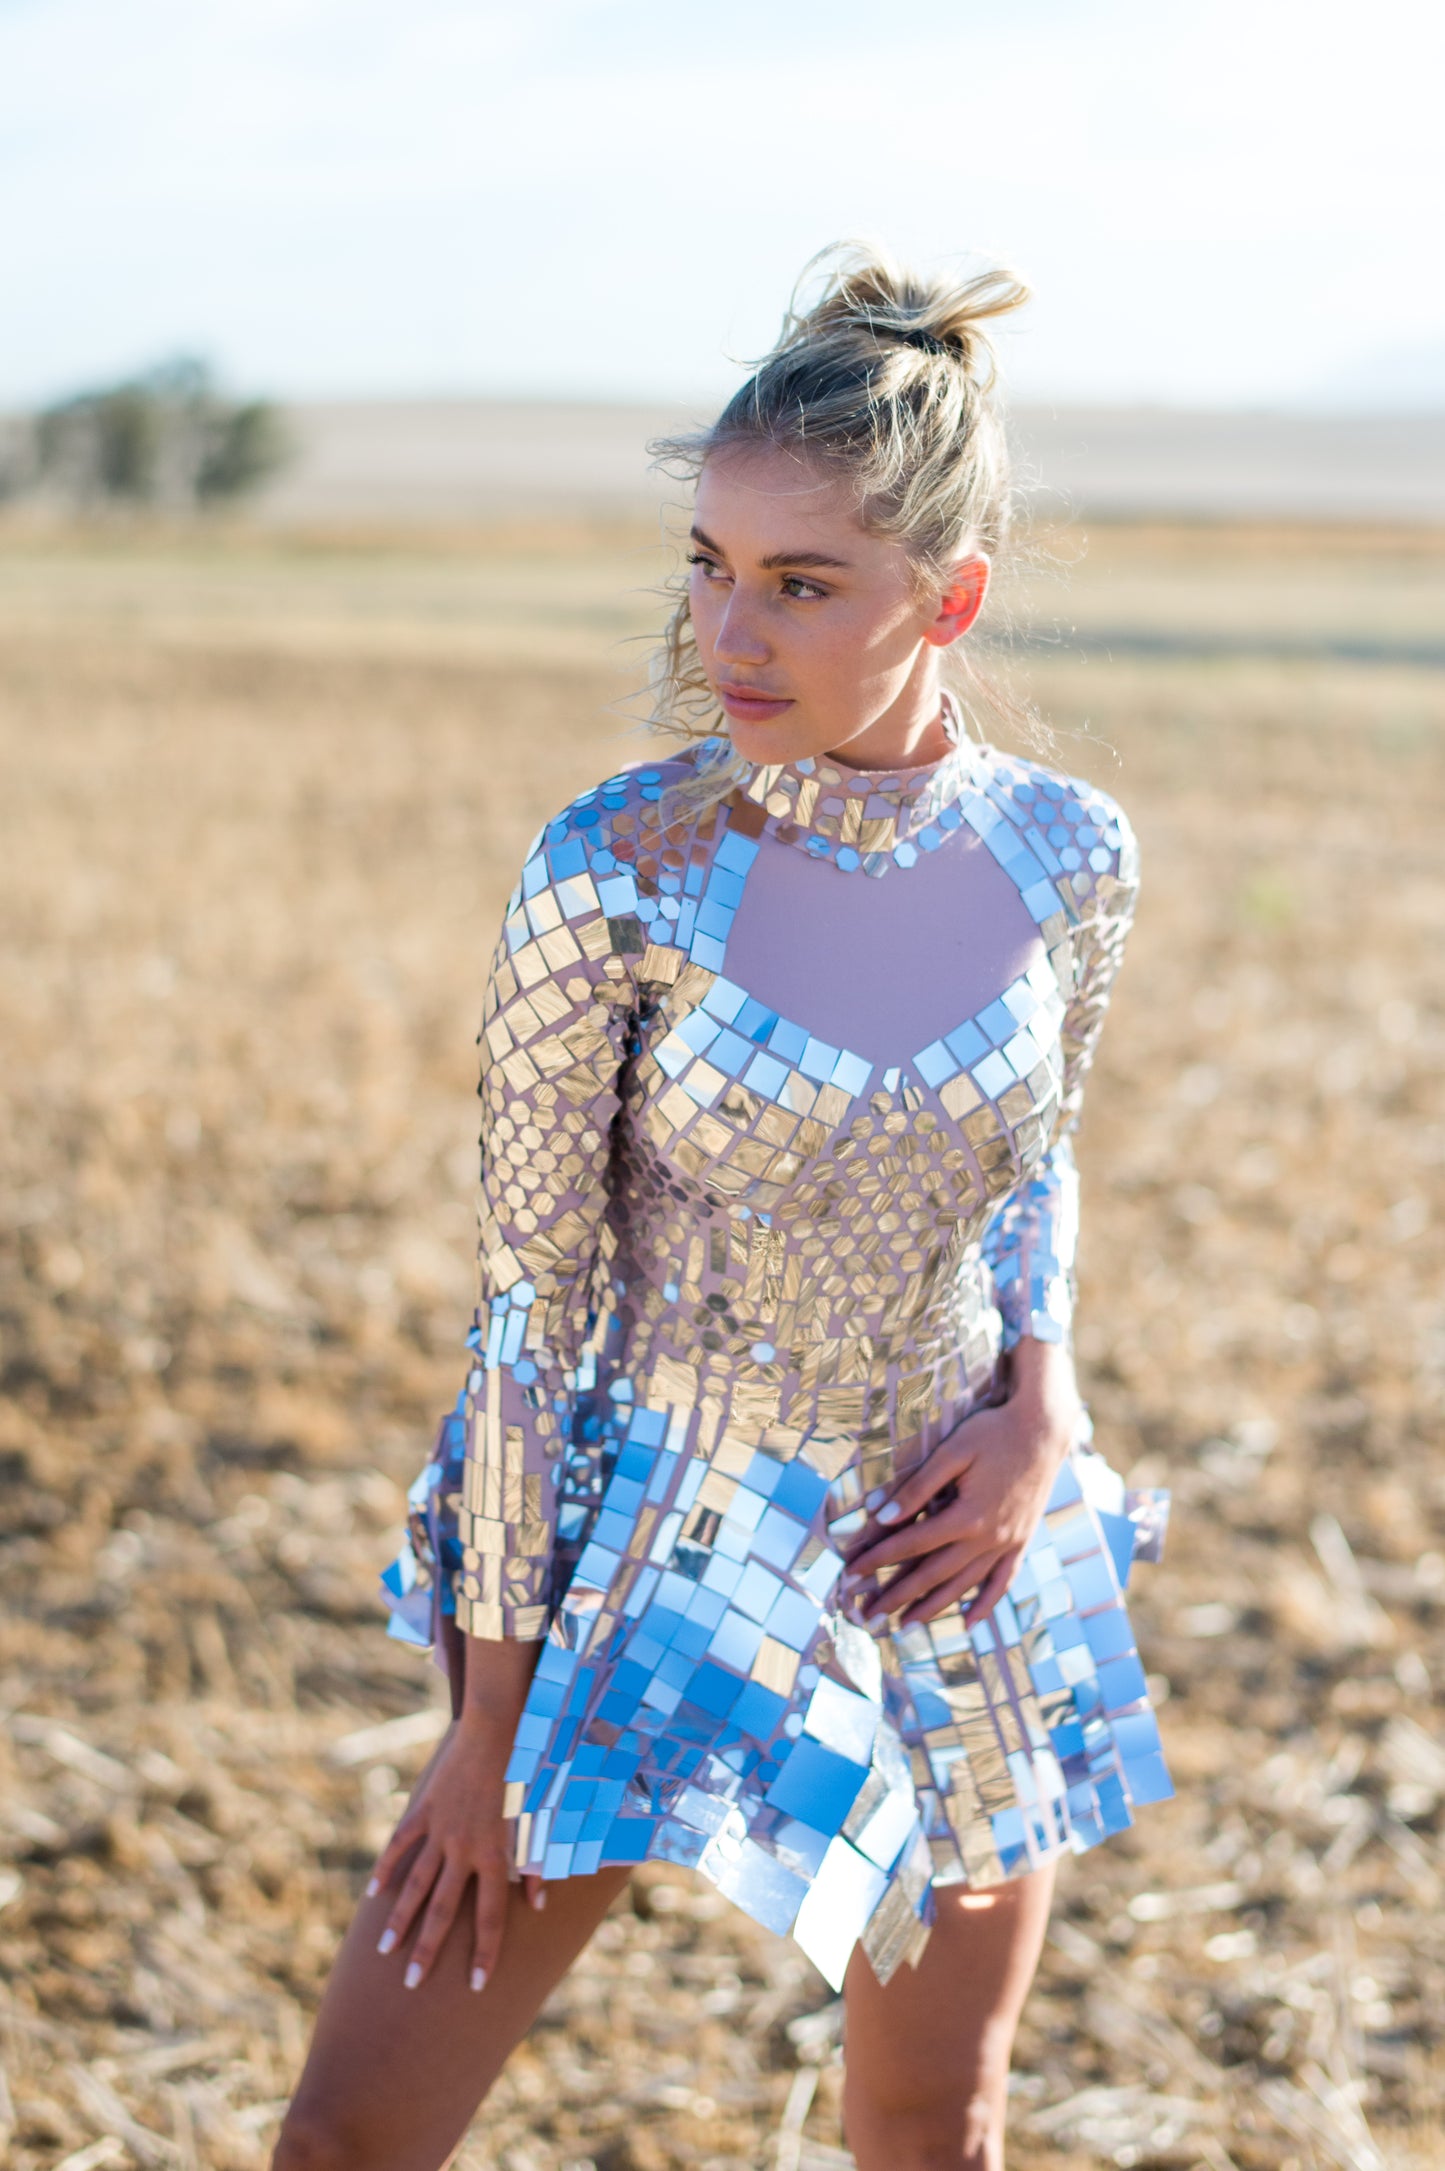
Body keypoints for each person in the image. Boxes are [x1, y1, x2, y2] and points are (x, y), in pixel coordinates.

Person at [273, 243, 1171, 2171]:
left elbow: (1037, 1164)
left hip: (946, 1542)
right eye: (708, 565)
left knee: (934, 2114)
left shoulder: (1068, 853)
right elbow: (524, 1315)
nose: (726, 633)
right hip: (644, 1536)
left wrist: (1044, 1404)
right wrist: (490, 1725)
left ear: (950, 599)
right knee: (351, 2138)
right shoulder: (615, 867)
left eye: (799, 584)